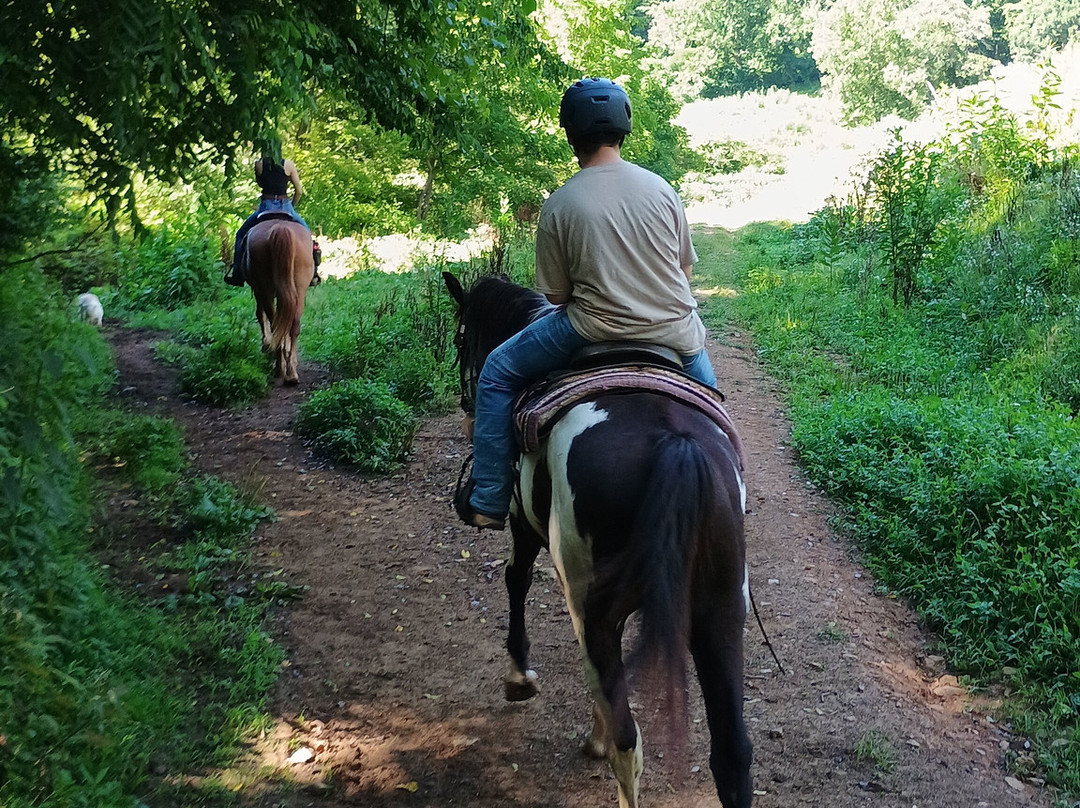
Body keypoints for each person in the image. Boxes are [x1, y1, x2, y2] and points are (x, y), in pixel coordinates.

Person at [454, 77, 718, 531]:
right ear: (624, 128)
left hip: (590, 329)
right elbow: (685, 272)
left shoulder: (560, 202)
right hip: (676, 332)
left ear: (570, 133)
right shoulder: (663, 190)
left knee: (496, 372)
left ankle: (490, 498)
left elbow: (555, 296)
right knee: (714, 412)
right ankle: (727, 491)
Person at [225, 139, 319, 286]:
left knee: (240, 235)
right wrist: (292, 205)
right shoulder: (289, 164)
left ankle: (237, 273)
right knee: (307, 235)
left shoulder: (259, 164)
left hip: (265, 206)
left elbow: (261, 183)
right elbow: (299, 191)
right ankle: (313, 273)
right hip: (285, 205)